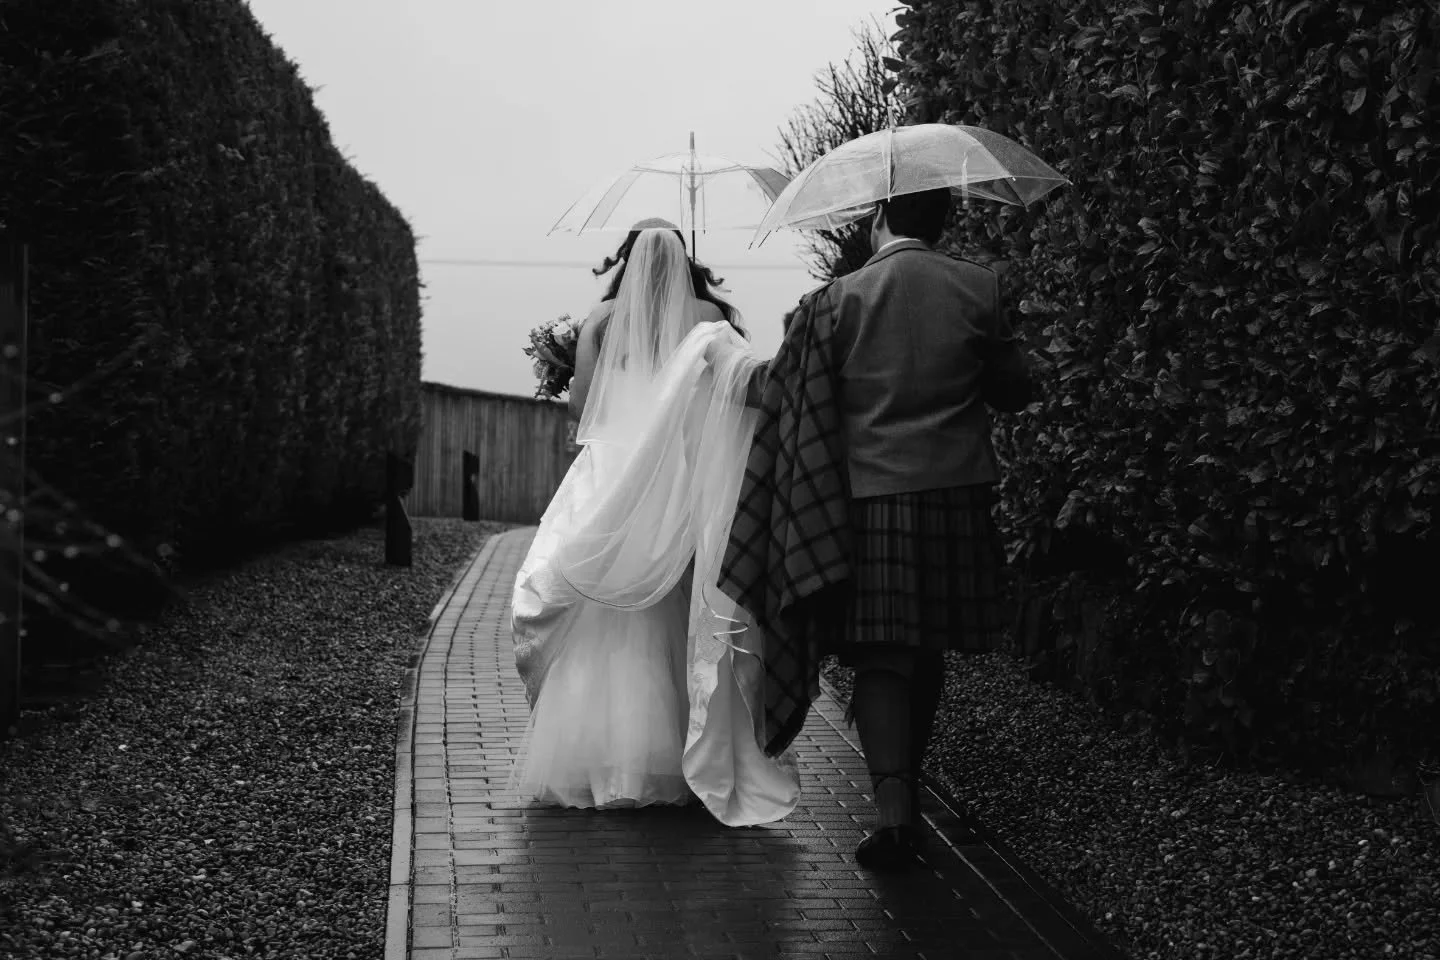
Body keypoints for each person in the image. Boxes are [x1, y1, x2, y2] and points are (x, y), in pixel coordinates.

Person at [716, 188, 1036, 869]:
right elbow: (1016, 389)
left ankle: (896, 815)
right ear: (942, 221)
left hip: (867, 500)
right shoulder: (980, 288)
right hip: (954, 496)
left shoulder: (836, 301)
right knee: (927, 649)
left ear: (880, 220)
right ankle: (907, 793)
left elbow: (794, 400)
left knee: (880, 653)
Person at [509, 224, 801, 826]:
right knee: (680, 610)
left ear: (627, 262)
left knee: (602, 610)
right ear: (686, 259)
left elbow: (582, 407)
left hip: (616, 471)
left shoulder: (603, 319)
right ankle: (688, 753)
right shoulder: (710, 314)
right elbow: (734, 388)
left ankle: (597, 764)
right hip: (682, 475)